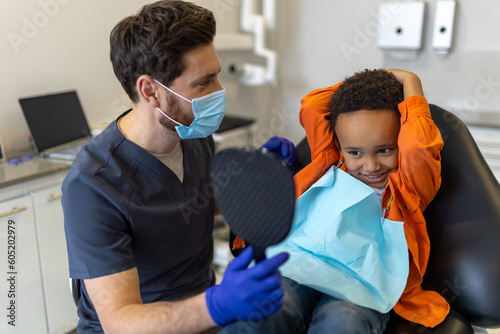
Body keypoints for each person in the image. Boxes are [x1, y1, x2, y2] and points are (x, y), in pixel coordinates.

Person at [61, 1, 289, 333]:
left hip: (203, 315)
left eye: (217, 76)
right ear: (150, 90)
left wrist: (258, 181)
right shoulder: (92, 184)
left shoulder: (194, 136)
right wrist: (217, 304)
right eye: (203, 83)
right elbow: (120, 322)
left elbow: (193, 209)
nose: (219, 92)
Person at [225, 69, 450, 333]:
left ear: (401, 140)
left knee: (342, 323)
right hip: (298, 262)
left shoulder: (407, 187)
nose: (371, 165)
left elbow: (419, 146)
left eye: (385, 149)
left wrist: (409, 81)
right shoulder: (330, 158)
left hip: (362, 285)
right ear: (340, 146)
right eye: (355, 152)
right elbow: (313, 104)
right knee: (266, 312)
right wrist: (369, 85)